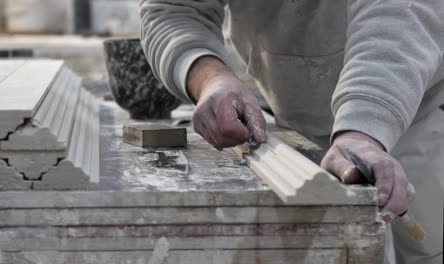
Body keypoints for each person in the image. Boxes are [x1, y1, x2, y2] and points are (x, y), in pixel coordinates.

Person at [139, 1, 444, 263]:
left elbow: (398, 12)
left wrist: (365, 126)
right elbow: (175, 9)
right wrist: (210, 78)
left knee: (423, 244)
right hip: (296, 122)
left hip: (405, 108)